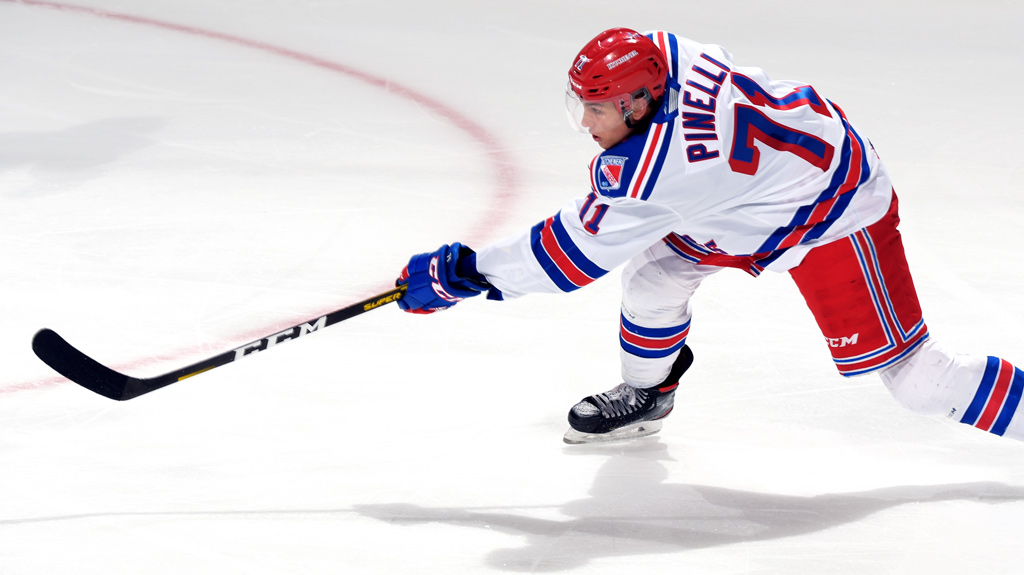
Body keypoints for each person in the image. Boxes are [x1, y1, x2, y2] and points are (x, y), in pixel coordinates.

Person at [395, 28, 1023, 444]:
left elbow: (568, 256)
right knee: (655, 275)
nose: (585, 122)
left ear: (640, 103)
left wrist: (465, 272)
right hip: (751, 194)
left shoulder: (662, 170)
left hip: (834, 211)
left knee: (919, 383)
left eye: (598, 108)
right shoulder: (665, 54)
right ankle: (649, 394)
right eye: (581, 104)